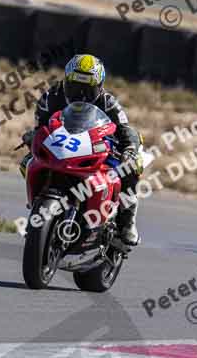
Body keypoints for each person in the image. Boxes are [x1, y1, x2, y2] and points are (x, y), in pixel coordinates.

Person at [20, 54, 144, 246]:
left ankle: (127, 222)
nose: (81, 95)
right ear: (66, 82)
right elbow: (40, 128)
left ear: (99, 87)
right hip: (62, 146)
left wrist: (129, 149)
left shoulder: (108, 103)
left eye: (88, 89)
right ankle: (38, 204)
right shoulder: (50, 98)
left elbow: (127, 131)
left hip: (97, 147)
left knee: (130, 167)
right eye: (75, 87)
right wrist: (32, 137)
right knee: (28, 162)